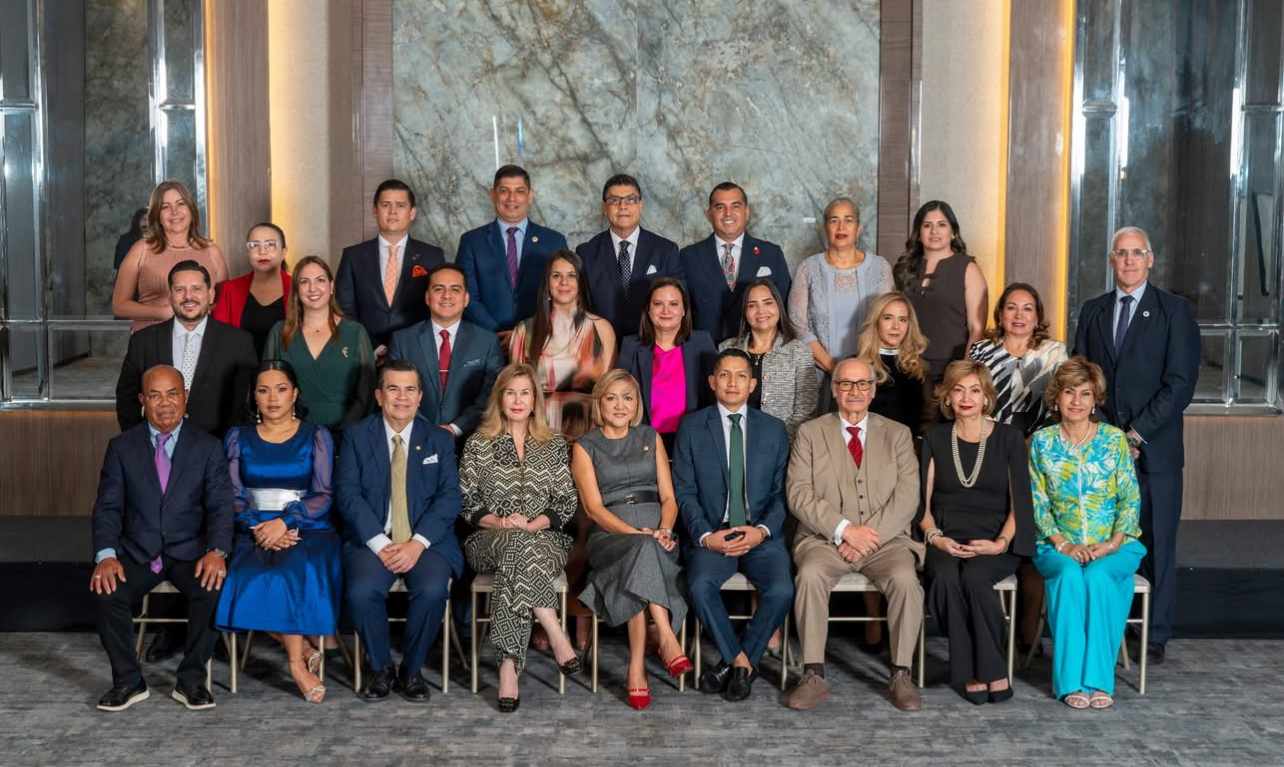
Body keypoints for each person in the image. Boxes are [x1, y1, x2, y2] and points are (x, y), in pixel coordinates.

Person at [1072, 226, 1199, 664]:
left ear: (1151, 260)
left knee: (1158, 541)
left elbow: (1180, 384)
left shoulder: (1174, 311)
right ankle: (1117, 625)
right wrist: (1109, 437)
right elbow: (1082, 379)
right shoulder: (1093, 311)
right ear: (1111, 261)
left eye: (1137, 253)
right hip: (1105, 452)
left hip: (1156, 452)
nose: (1128, 261)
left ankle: (1155, 635)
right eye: (1120, 254)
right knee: (1114, 540)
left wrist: (1135, 435)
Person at [90, 365, 234, 712]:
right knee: (106, 590)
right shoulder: (122, 447)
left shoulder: (209, 447)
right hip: (139, 552)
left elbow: (221, 507)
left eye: (172, 394)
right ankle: (128, 681)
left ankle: (192, 681)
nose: (165, 403)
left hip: (190, 552)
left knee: (214, 588)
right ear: (143, 401)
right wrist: (106, 555)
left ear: (185, 398)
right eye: (155, 395)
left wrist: (217, 551)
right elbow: (107, 506)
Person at [785, 357, 923, 711]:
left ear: (873, 390)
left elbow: (908, 496)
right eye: (846, 384)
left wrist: (867, 536)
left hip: (886, 541)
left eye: (862, 384)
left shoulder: (898, 434)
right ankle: (813, 673)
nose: (854, 391)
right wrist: (844, 531)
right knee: (811, 574)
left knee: (906, 579)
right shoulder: (810, 433)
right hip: (824, 539)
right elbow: (799, 494)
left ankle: (901, 673)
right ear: (833, 389)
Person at [336, 359, 463, 704]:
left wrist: (417, 544)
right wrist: (380, 544)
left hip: (427, 541)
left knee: (434, 588)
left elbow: (450, 497)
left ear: (421, 397)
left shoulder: (438, 439)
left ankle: (411, 669)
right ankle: (381, 668)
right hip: (373, 539)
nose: (402, 397)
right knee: (361, 592)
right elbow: (348, 495)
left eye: (410, 389)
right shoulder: (355, 437)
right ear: (379, 395)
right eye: (393, 388)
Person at [458, 364, 583, 713]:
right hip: (488, 540)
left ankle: (508, 667)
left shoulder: (554, 444)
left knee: (520, 546)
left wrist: (534, 524)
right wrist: (498, 521)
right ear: (499, 397)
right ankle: (554, 629)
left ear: (535, 400)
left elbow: (566, 502)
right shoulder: (479, 443)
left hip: (545, 540)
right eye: (510, 392)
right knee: (513, 543)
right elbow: (467, 503)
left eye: (525, 392)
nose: (517, 399)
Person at [215, 361, 341, 703]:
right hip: (251, 528)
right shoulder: (237, 437)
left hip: (307, 528)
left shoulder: (317, 435)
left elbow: (324, 494)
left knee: (289, 571)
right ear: (254, 396)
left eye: (281, 389)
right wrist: (258, 526)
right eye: (263, 390)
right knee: (241, 578)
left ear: (295, 394)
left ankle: (295, 664)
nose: (273, 398)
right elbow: (232, 495)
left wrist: (284, 522)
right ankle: (302, 650)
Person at [672, 349, 794, 703]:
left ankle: (734, 663)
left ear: (752, 384)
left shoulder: (773, 430)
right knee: (697, 586)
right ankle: (743, 663)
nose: (732, 382)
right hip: (712, 531)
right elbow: (685, 491)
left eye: (741, 375)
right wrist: (707, 537)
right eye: (724, 375)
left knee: (782, 589)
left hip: (760, 535)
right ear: (712, 382)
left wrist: (762, 531)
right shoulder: (692, 426)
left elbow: (781, 494)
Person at [1030, 357, 1145, 709]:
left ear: (1095, 399)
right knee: (1068, 576)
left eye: (1085, 393)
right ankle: (1070, 683)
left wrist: (1110, 544)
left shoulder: (1113, 440)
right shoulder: (1041, 442)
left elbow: (1130, 498)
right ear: (1056, 398)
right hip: (1056, 546)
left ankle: (1097, 680)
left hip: (1117, 545)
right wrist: (1062, 543)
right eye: (1069, 392)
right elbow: (1036, 502)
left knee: (1097, 577)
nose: (1076, 401)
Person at [917, 360, 1035, 704]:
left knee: (975, 579)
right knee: (944, 578)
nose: (966, 398)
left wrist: (999, 544)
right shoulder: (936, 438)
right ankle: (978, 670)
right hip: (945, 535)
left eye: (974, 390)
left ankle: (987, 669)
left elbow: (1020, 506)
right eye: (958, 390)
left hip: (995, 536)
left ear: (986, 398)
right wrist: (936, 538)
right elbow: (922, 509)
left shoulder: (1009, 438)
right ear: (948, 398)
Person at [573, 371, 691, 709]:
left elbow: (669, 499)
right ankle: (667, 637)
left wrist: (665, 530)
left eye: (628, 397)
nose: (620, 405)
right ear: (600, 403)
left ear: (637, 404)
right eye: (612, 397)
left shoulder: (650, 436)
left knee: (640, 564)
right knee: (639, 551)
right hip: (610, 538)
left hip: (660, 536)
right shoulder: (585, 446)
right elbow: (594, 509)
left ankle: (636, 667)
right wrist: (636, 534)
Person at [116, 260, 258, 440]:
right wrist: (140, 443)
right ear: (170, 296)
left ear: (211, 294)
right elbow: (126, 399)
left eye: (197, 289)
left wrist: (231, 448)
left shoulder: (239, 341)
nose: (188, 296)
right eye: (180, 289)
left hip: (218, 449)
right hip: (158, 449)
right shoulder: (143, 341)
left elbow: (245, 403)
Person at [789, 197, 893, 408]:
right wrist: (832, 367)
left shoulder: (880, 267)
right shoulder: (808, 268)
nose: (841, 226)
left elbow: (888, 320)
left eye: (848, 220)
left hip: (870, 374)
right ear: (825, 227)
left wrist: (858, 372)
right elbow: (797, 323)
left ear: (859, 227)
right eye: (834, 220)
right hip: (818, 373)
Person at [264, 256, 377, 448]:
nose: (313, 288)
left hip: (347, 437)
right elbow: (267, 388)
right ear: (296, 291)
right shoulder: (279, 332)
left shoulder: (355, 332)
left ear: (332, 287)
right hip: (291, 438)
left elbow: (366, 394)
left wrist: (340, 434)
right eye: (304, 282)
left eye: (320, 280)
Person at [388, 263, 505, 445]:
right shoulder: (402, 340)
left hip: (473, 442)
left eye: (455, 289)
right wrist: (428, 430)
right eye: (438, 289)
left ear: (466, 298)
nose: (447, 296)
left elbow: (493, 394)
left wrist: (455, 428)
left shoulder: (487, 342)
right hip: (414, 440)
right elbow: (393, 392)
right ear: (427, 297)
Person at [509, 249, 616, 443]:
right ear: (547, 285)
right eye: (556, 276)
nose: (564, 282)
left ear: (581, 283)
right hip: (537, 437)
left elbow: (609, 390)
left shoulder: (601, 328)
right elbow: (514, 393)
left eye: (571, 276)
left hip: (590, 437)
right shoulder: (524, 331)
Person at [457, 165, 569, 341]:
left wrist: (523, 334)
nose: (512, 198)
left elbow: (563, 295)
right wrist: (497, 333)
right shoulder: (471, 242)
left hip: (540, 340)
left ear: (530, 196)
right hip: (486, 340)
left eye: (519, 191)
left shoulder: (554, 241)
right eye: (504, 191)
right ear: (493, 195)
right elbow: (466, 295)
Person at [334, 179, 445, 349]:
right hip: (364, 352)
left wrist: (406, 346)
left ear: (412, 213)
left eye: (400, 205)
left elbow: (438, 308)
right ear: (375, 211)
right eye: (386, 205)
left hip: (416, 349)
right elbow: (344, 311)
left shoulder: (432, 256)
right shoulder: (353, 256)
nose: (393, 211)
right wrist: (372, 346)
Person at [575, 173, 684, 339]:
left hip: (651, 346)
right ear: (605, 208)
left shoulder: (666, 250)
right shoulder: (586, 253)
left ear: (640, 205)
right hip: (602, 347)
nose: (622, 206)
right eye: (614, 200)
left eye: (630, 199)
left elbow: (680, 304)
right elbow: (581, 308)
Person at [679, 182, 791, 343]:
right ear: (709, 214)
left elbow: (785, 307)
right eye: (720, 207)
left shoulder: (771, 253)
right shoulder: (689, 256)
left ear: (746, 212)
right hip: (704, 353)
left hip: (758, 352)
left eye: (735, 206)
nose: (728, 213)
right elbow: (680, 311)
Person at [113, 181, 229, 333]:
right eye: (165, 207)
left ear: (191, 210)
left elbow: (225, 302)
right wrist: (161, 313)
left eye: (181, 204)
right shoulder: (141, 249)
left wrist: (197, 312)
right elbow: (119, 307)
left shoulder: (212, 251)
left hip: (202, 340)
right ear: (157, 215)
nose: (175, 212)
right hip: (151, 339)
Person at [617, 277, 717, 454]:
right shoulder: (630, 346)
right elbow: (618, 395)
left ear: (684, 309)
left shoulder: (702, 342)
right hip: (642, 444)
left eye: (673, 304)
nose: (666, 311)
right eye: (658, 304)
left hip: (694, 443)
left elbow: (714, 398)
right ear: (648, 309)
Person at [893, 200, 989, 383]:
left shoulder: (968, 269)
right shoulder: (903, 269)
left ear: (953, 232)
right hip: (907, 364)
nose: (934, 231)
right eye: (927, 225)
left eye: (941, 225)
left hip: (951, 368)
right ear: (919, 234)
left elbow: (976, 329)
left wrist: (964, 373)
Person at [718, 279, 816, 440]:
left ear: (778, 306)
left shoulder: (799, 351)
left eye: (767, 303)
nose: (761, 311)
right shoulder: (726, 349)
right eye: (752, 305)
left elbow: (805, 412)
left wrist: (774, 444)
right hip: (733, 443)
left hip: (783, 447)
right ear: (744, 311)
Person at [969, 282, 1068, 436]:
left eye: (1027, 308)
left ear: (1037, 318)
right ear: (1000, 315)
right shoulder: (981, 351)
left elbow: (1061, 402)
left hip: (1042, 440)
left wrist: (1036, 440)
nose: (1019, 315)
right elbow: (973, 399)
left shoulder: (1055, 352)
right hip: (990, 438)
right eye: (1011, 307)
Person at [856, 291, 931, 439]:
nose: (896, 326)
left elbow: (927, 419)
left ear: (910, 325)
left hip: (907, 452)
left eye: (903, 320)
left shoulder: (919, 368)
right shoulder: (857, 367)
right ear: (876, 321)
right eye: (888, 318)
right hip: (867, 450)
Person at [212, 222, 292, 357]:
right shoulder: (231, 289)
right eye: (254, 245)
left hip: (287, 372)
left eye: (270, 244)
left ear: (283, 252)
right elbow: (219, 339)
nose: (262, 251)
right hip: (241, 372)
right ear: (248, 252)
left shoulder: (299, 288)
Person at [113, 207, 148, 271]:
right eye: (144, 219)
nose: (147, 223)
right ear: (136, 222)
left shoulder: (153, 241)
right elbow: (117, 264)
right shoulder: (125, 240)